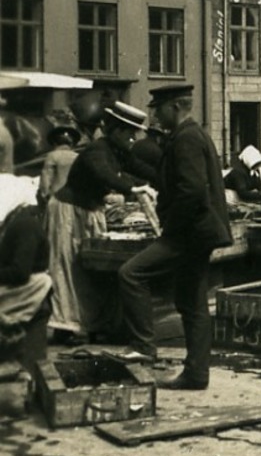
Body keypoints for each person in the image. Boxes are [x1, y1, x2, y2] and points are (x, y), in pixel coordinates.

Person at [118, 83, 231, 390]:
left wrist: (170, 230)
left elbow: (192, 191)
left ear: (176, 107)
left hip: (189, 233)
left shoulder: (186, 139)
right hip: (198, 233)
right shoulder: (190, 135)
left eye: (159, 109)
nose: (156, 116)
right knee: (192, 302)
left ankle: (143, 346)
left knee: (131, 273)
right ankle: (196, 374)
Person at [45, 101, 149, 341]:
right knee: (67, 268)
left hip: (89, 211)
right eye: (130, 133)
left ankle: (93, 323)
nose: (134, 138)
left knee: (92, 269)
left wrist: (164, 180)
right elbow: (104, 174)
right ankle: (64, 327)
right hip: (68, 212)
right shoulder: (97, 151)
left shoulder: (119, 151)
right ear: (117, 131)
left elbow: (140, 168)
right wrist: (134, 188)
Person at [0, 174, 51, 370]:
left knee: (32, 365)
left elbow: (20, 271)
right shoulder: (15, 222)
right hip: (21, 289)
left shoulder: (24, 225)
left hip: (29, 292)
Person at [37, 125, 80, 202]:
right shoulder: (78, 157)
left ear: (54, 142)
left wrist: (44, 194)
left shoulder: (52, 155)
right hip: (76, 200)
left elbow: (46, 177)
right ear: (72, 143)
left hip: (57, 199)